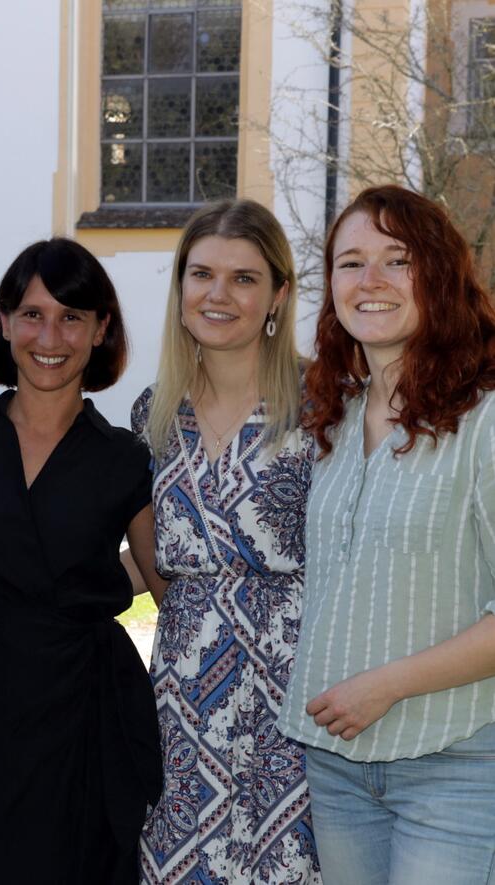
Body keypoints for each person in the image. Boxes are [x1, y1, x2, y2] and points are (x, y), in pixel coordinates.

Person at [0, 237, 163, 884]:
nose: (50, 335)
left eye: (72, 316)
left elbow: (170, 586)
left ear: (101, 329)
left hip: (88, 721)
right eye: (32, 314)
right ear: (5, 322)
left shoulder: (126, 459)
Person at [278, 185, 495, 885]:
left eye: (396, 260)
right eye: (350, 262)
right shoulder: (334, 419)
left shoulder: (486, 419)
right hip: (337, 768)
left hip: (455, 762)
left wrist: (388, 684)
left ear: (438, 274)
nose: (369, 281)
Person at [131, 201, 320, 883]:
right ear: (180, 288)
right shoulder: (154, 412)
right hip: (184, 697)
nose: (218, 294)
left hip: (295, 687)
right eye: (202, 273)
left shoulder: (327, 402)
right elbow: (159, 552)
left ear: (277, 294)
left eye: (243, 278)